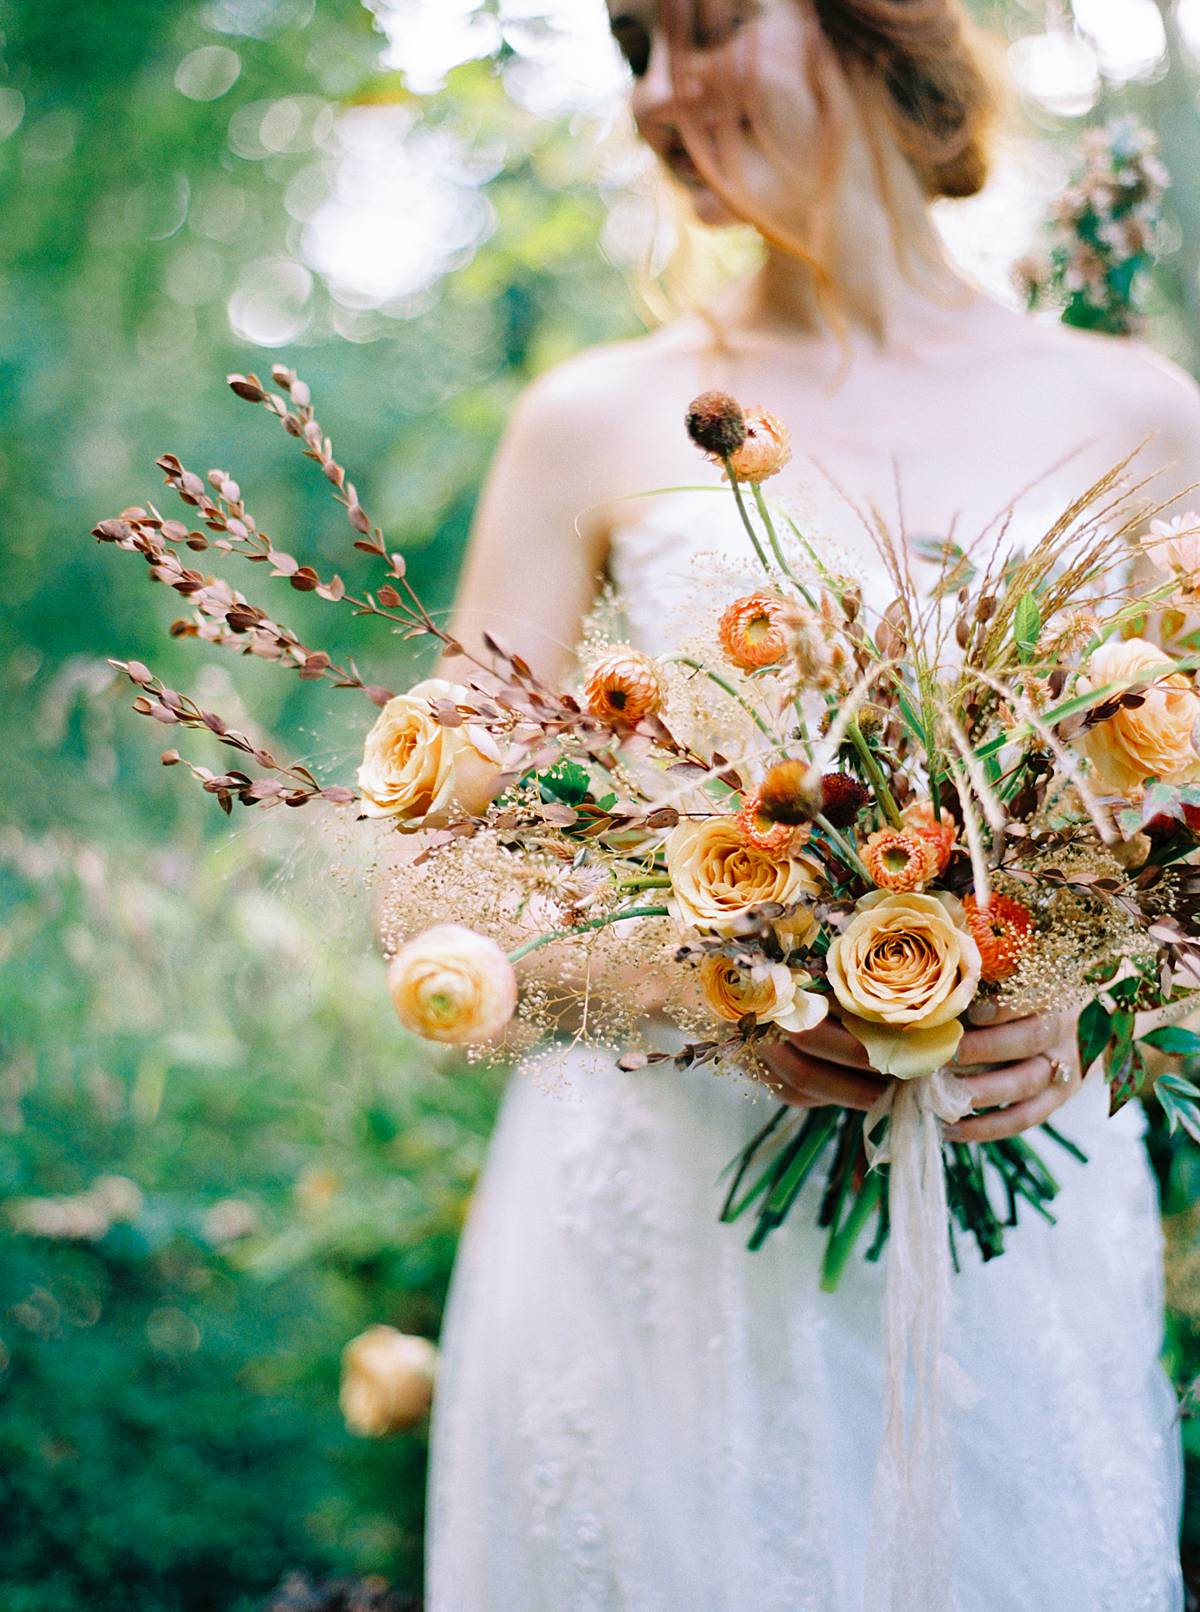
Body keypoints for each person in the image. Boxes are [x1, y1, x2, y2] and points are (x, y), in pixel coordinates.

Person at [425, 3, 1200, 1607]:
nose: (658, 94)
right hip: (658, 1244)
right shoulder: (593, 420)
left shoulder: (1140, 416)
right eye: (630, 50)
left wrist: (1078, 994)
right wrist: (718, 990)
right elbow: (437, 883)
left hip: (1017, 1261)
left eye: (698, 27)